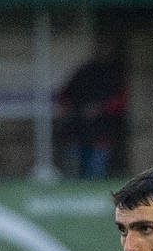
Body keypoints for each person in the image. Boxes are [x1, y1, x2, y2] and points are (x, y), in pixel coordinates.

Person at [54, 39, 127, 180]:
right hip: (78, 129)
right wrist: (75, 110)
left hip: (103, 129)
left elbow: (121, 101)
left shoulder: (115, 74)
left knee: (97, 170)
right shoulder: (84, 72)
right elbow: (64, 95)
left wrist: (100, 108)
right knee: (77, 171)